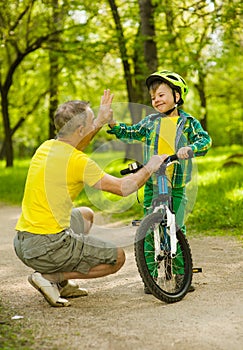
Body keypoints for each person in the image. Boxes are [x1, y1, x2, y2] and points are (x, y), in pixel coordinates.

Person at [13, 89, 168, 307]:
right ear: (80, 129)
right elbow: (124, 188)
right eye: (91, 119)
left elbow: (79, 139)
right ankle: (50, 278)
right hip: (45, 246)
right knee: (117, 257)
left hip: (23, 241)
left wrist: (101, 121)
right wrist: (151, 167)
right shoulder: (78, 162)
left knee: (86, 215)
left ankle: (62, 281)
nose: (95, 121)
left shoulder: (46, 147)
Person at [107, 70, 212, 293]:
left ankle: (183, 274)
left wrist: (190, 148)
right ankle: (151, 276)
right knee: (148, 228)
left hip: (177, 183)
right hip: (153, 182)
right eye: (153, 97)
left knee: (177, 226)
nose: (156, 100)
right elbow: (132, 132)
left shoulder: (188, 123)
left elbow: (205, 140)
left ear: (177, 95)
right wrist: (114, 124)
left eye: (161, 95)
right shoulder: (150, 122)